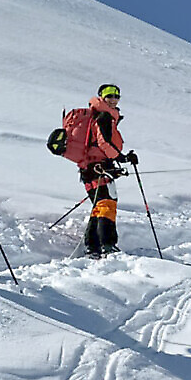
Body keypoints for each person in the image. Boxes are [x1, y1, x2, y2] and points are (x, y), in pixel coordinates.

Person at [78, 84, 136, 257]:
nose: (113, 99)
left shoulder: (97, 115)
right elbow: (104, 143)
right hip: (99, 167)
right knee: (107, 204)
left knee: (99, 205)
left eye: (116, 96)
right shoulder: (103, 117)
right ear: (101, 97)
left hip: (89, 168)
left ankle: (93, 246)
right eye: (109, 96)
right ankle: (107, 244)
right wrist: (122, 158)